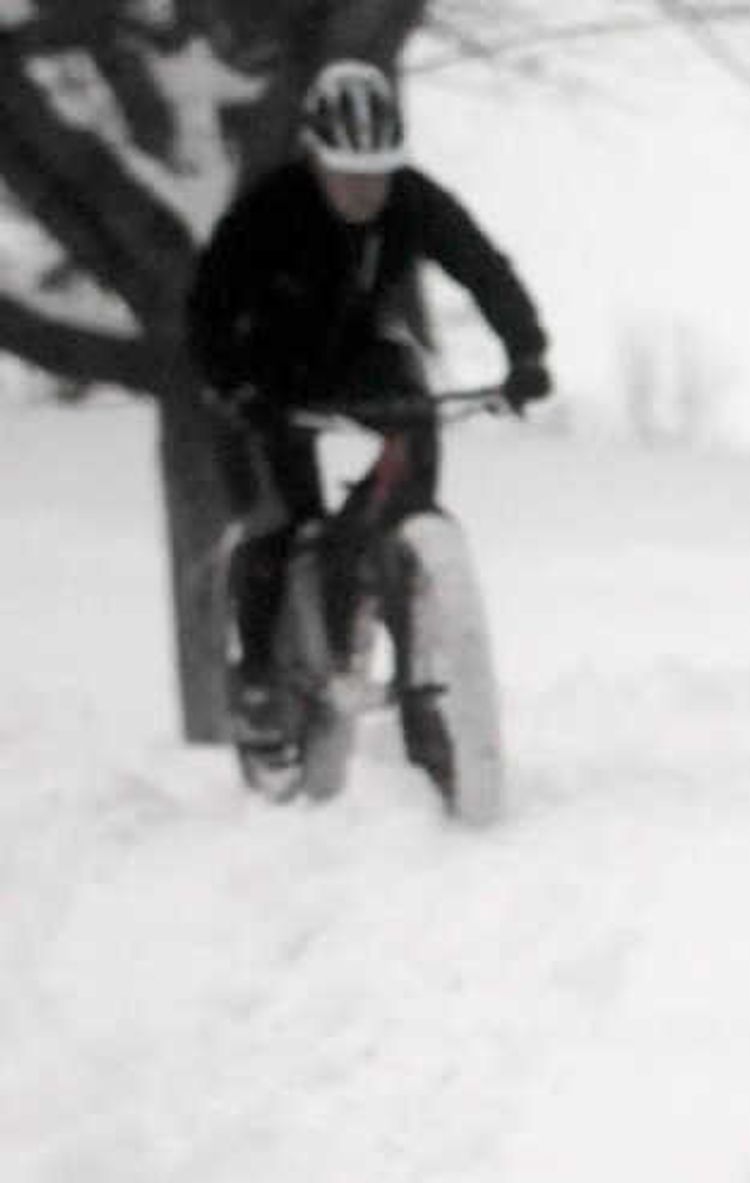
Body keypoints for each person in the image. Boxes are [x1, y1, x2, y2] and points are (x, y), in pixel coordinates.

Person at [184, 59, 550, 763]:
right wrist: (235, 387)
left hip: (356, 356)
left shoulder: (415, 202)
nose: (364, 191)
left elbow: (484, 270)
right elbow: (207, 309)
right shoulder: (270, 208)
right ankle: (259, 670)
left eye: (378, 174)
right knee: (285, 517)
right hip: (267, 370)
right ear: (317, 160)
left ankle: (406, 569)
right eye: (348, 174)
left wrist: (526, 354)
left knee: (412, 400)